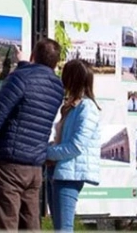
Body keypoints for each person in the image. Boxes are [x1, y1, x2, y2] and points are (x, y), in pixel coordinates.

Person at [0, 37, 65, 231]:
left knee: (6, 224)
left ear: (33, 56)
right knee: (30, 225)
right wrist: (23, 64)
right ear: (56, 63)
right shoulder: (57, 88)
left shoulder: (20, 79)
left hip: (9, 166)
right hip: (35, 169)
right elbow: (34, 86)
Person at [45, 59, 101, 231]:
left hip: (70, 175)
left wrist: (46, 152)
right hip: (57, 170)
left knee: (64, 228)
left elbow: (76, 146)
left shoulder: (87, 108)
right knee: (59, 227)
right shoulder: (71, 106)